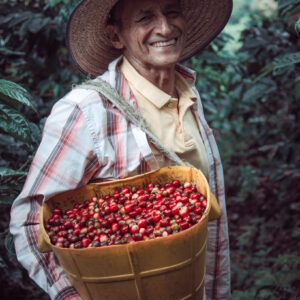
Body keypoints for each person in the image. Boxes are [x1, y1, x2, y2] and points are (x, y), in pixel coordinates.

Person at [10, 0, 232, 299]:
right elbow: (29, 222)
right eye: (145, 17)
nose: (165, 27)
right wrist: (70, 295)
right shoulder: (86, 112)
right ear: (116, 36)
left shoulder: (187, 92)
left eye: (172, 12)